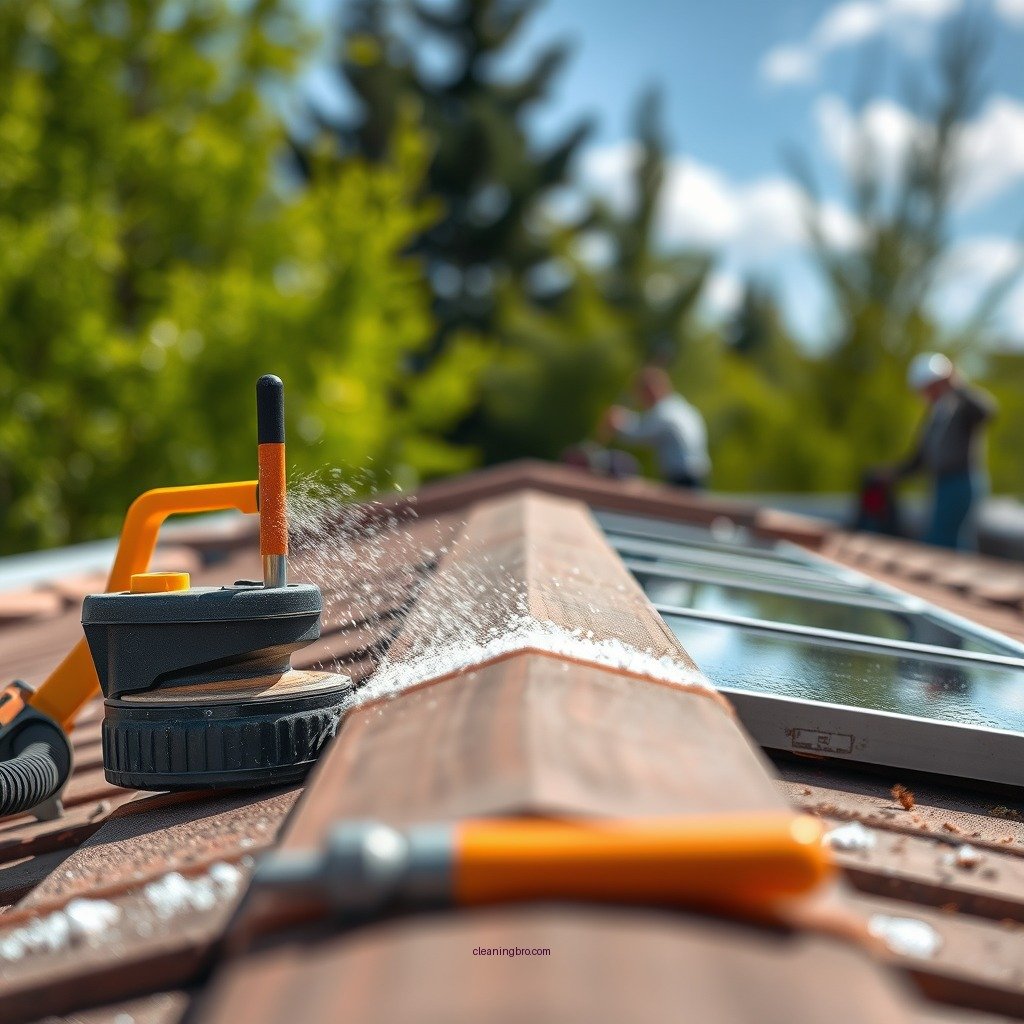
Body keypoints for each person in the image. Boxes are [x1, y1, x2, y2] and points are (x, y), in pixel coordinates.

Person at [887, 352, 996, 550]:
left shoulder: (961, 407)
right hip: (942, 483)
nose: (926, 394)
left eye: (929, 387)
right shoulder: (936, 414)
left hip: (962, 481)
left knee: (944, 541)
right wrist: (893, 473)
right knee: (949, 541)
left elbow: (987, 411)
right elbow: (920, 458)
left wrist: (957, 386)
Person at [603, 367, 711, 488]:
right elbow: (645, 425)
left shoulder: (666, 412)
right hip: (696, 477)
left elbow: (640, 433)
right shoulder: (679, 407)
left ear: (652, 389)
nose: (641, 399)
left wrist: (618, 422)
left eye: (641, 392)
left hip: (683, 480)